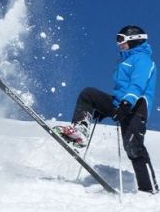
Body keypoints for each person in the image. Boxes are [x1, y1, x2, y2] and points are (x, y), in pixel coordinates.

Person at [54, 25, 158, 194]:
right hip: (120, 104)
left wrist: (126, 103)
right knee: (88, 95)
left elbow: (138, 84)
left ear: (133, 39)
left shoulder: (143, 59)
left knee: (133, 147)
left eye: (121, 39)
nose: (118, 43)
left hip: (136, 106)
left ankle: (149, 190)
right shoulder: (124, 61)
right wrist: (105, 108)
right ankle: (80, 130)